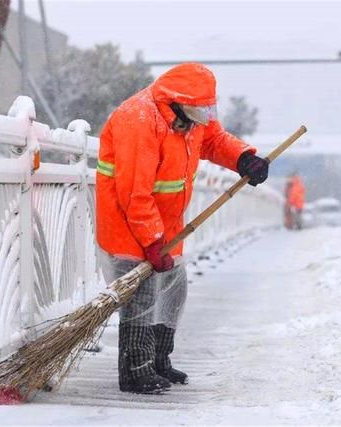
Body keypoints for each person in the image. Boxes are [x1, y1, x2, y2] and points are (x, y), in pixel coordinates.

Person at [96, 63, 269, 394]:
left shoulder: (190, 115)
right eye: (202, 108)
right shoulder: (140, 119)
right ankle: (135, 370)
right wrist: (151, 240)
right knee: (141, 296)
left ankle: (159, 360)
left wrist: (244, 159)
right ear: (178, 101)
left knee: (174, 290)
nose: (207, 114)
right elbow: (134, 192)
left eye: (209, 107)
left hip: (166, 223)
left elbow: (214, 139)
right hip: (127, 220)